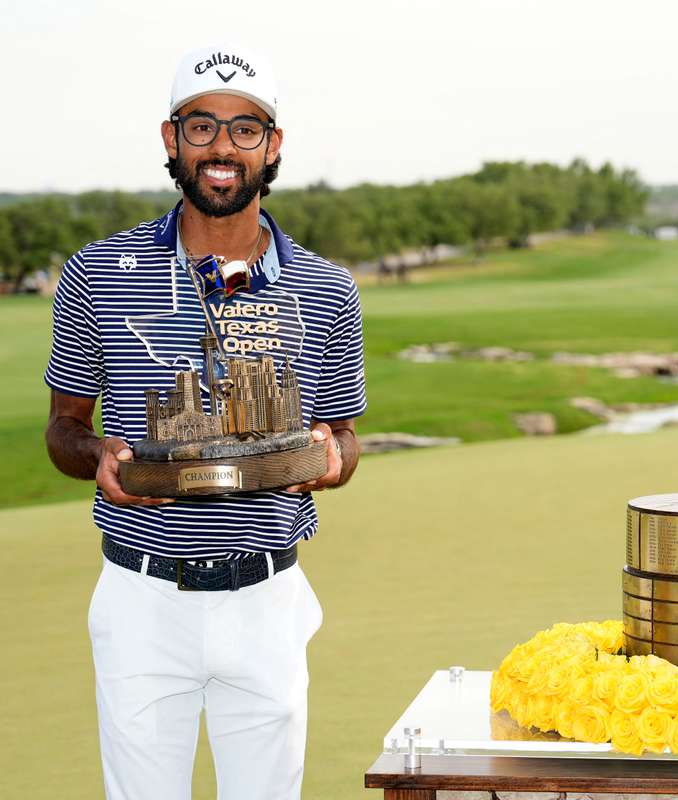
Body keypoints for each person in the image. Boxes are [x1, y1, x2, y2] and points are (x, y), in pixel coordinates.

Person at [43, 44, 366, 800]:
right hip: (141, 599)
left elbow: (347, 438)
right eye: (201, 126)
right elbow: (61, 428)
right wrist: (97, 455)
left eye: (245, 129)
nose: (223, 147)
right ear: (170, 140)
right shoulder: (98, 271)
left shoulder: (328, 289)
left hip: (267, 601)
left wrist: (332, 457)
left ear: (273, 146)